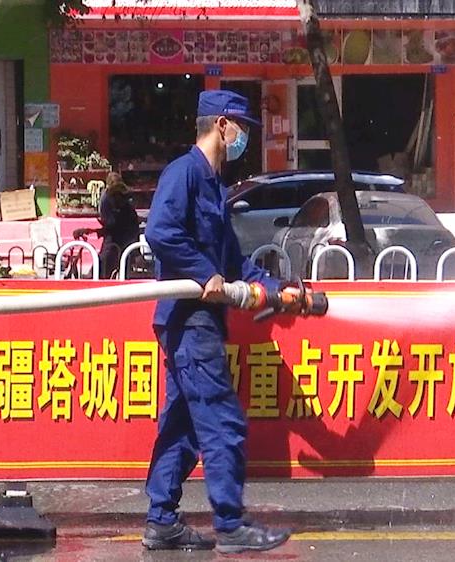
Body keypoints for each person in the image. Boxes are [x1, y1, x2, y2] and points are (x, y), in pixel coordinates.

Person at [142, 90, 290, 554]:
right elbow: (160, 232)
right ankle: (230, 524)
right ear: (222, 125)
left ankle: (161, 521)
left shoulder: (215, 186)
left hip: (200, 320)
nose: (245, 138)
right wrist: (203, 273)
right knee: (223, 422)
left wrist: (278, 288)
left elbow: (232, 263)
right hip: (189, 321)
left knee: (184, 425)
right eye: (242, 127)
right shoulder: (184, 173)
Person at [98, 171, 140, 277]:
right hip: (118, 241)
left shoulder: (126, 209)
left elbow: (115, 226)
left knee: (108, 263)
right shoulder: (110, 201)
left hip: (122, 242)